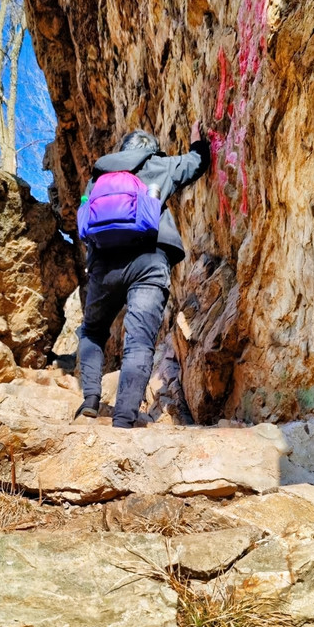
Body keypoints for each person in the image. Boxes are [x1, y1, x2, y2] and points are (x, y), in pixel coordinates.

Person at [75, 121, 210, 429]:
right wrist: (197, 141)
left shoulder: (98, 175)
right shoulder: (159, 165)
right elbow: (196, 163)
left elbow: (86, 219)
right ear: (150, 148)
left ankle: (91, 400)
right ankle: (124, 418)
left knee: (93, 331)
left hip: (104, 266)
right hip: (149, 261)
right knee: (138, 342)